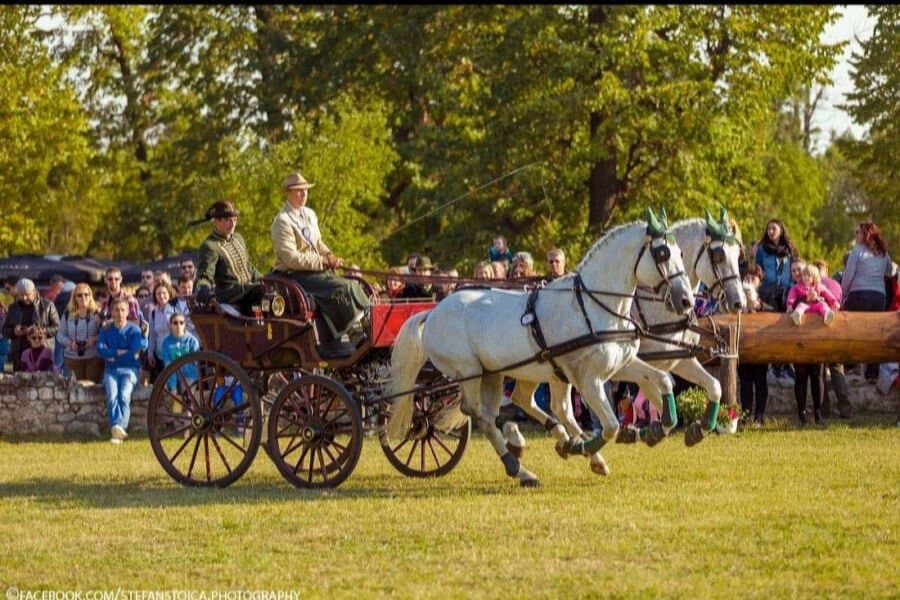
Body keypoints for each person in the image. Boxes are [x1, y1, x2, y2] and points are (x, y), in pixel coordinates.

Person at [271, 172, 371, 356]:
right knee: (344, 287)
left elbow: (317, 243)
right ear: (288, 193)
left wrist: (330, 255)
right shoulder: (282, 221)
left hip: (315, 271)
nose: (304, 194)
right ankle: (353, 333)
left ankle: (365, 323)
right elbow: (291, 259)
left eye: (306, 190)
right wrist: (322, 261)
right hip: (295, 275)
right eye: (299, 191)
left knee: (355, 285)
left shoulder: (310, 214)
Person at [841, 220, 892, 382]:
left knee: (851, 329)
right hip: (879, 296)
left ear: (865, 235)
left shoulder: (857, 252)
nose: (855, 235)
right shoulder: (883, 253)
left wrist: (842, 296)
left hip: (859, 294)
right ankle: (872, 373)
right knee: (875, 334)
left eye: (858, 232)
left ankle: (851, 366)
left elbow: (848, 276)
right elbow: (890, 271)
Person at [195, 200, 266, 315]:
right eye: (228, 220)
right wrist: (203, 288)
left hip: (249, 289)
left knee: (271, 289)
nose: (233, 224)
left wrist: (265, 279)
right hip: (229, 293)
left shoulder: (238, 238)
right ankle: (254, 325)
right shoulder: (210, 245)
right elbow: (206, 273)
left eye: (234, 220)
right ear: (216, 222)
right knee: (258, 290)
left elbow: (247, 266)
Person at [97, 297, 144, 444]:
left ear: (128, 311)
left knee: (124, 396)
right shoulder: (106, 330)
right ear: (111, 312)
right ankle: (117, 428)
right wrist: (119, 353)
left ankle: (119, 428)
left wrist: (113, 354)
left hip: (130, 370)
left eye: (122, 310)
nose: (119, 313)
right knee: (112, 396)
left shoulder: (134, 330)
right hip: (111, 370)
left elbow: (135, 351)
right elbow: (100, 349)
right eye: (116, 310)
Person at [812, 259, 852, 419]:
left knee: (820, 373)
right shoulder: (836, 285)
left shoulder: (814, 285)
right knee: (837, 370)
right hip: (835, 332)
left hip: (816, 333)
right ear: (826, 270)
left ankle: (824, 410)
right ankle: (845, 408)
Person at [2, 279, 60, 373]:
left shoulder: (47, 305)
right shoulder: (13, 308)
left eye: (27, 294)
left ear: (34, 291)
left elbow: (57, 327)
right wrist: (14, 332)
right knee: (21, 384)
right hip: (20, 354)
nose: (24, 298)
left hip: (42, 353)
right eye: (21, 295)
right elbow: (4, 329)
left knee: (43, 383)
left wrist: (40, 331)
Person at [737, 265, 769, 426]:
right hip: (742, 345)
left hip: (761, 345)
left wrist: (760, 306)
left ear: (760, 281)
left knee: (760, 381)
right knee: (745, 383)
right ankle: (746, 415)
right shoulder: (737, 295)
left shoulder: (765, 294)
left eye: (753, 277)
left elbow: (774, 311)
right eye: (747, 277)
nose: (749, 279)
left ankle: (759, 416)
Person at [56, 283, 103, 383]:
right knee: (75, 391)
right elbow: (60, 335)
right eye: (79, 295)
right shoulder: (68, 314)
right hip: (72, 359)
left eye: (86, 294)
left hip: (93, 358)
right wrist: (70, 343)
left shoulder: (97, 313)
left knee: (92, 390)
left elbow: (106, 334)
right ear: (74, 298)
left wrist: (94, 339)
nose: (83, 297)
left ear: (91, 296)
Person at [160, 312, 200, 393]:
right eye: (175, 323)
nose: (178, 325)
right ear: (170, 325)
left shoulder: (192, 341)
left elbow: (195, 365)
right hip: (172, 375)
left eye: (181, 322)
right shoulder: (166, 343)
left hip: (189, 375)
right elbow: (168, 366)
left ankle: (190, 405)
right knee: (164, 391)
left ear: (185, 324)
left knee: (187, 395)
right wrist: (173, 387)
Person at [146, 282, 177, 384]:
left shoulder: (175, 310)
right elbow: (152, 335)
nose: (161, 296)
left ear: (169, 294)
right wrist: (150, 353)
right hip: (160, 354)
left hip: (174, 353)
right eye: (158, 293)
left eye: (164, 293)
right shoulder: (153, 313)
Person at [0, 298, 9, 372]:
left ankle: (7, 376)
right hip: (4, 340)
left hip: (4, 340)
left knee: (6, 358)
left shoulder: (4, 315)